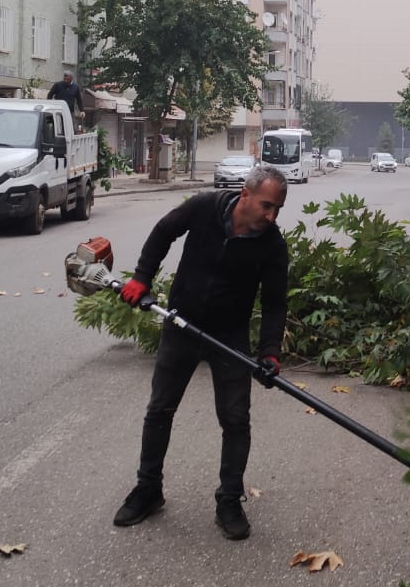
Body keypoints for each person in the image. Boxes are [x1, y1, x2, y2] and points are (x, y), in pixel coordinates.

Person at [113, 165, 291, 540]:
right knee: (160, 409)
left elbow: (275, 304)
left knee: (236, 420)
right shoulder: (204, 207)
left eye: (277, 209)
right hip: (181, 323)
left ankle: (229, 498)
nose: (271, 215)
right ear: (245, 194)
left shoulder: (272, 245)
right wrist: (142, 276)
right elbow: (164, 232)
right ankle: (149, 489)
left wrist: (270, 353)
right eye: (266, 206)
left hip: (229, 335)